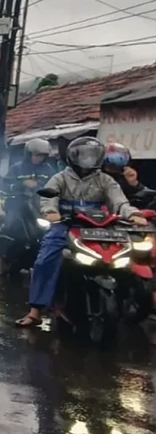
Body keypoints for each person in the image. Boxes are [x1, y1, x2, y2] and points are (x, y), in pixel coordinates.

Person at [14, 137, 147, 328]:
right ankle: (35, 311)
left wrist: (132, 213)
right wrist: (51, 212)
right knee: (45, 260)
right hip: (66, 224)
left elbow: (119, 201)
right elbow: (48, 199)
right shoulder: (60, 178)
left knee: (128, 254)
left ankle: (133, 300)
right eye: (84, 155)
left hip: (99, 227)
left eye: (93, 155)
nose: (89, 159)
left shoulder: (105, 180)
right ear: (73, 156)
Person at [0, 138, 57, 275]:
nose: (39, 158)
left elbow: (55, 188)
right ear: (28, 154)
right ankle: (0, 262)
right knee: (9, 227)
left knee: (53, 231)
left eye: (42, 156)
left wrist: (38, 186)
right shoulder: (17, 168)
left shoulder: (49, 170)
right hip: (17, 205)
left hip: (39, 208)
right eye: (37, 155)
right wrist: (22, 184)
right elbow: (4, 186)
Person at [102, 142, 154, 208]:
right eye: (109, 159)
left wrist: (135, 184)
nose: (113, 164)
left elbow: (146, 196)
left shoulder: (126, 177)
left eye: (119, 158)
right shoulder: (96, 177)